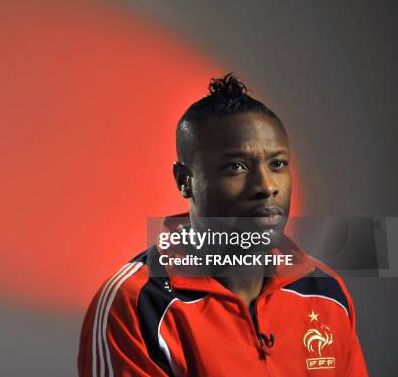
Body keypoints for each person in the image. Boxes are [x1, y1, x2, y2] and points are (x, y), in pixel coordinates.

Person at [77, 74, 368, 376]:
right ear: (184, 181)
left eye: (277, 164)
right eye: (235, 167)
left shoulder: (326, 292)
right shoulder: (138, 303)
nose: (266, 186)